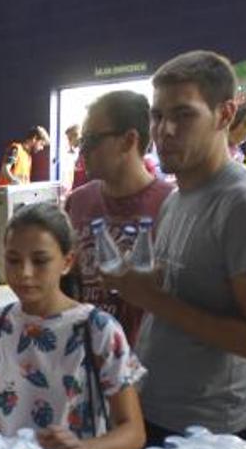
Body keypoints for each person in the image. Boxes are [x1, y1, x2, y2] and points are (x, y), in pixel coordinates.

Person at [105, 50, 246, 446]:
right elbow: (188, 290)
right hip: (154, 409)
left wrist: (152, 299)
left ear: (225, 115)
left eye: (184, 115)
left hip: (207, 430)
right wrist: (149, 281)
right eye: (157, 116)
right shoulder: (179, 197)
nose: (165, 130)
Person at [0, 204, 145, 449]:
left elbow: (133, 430)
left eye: (40, 261)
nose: (25, 273)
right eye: (13, 260)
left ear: (67, 261)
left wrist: (86, 448)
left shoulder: (98, 330)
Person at [64, 90, 175, 343]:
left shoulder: (172, 206)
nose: (83, 151)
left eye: (91, 140)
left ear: (128, 141)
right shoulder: (77, 202)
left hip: (147, 361)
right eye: (82, 142)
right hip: (88, 356)